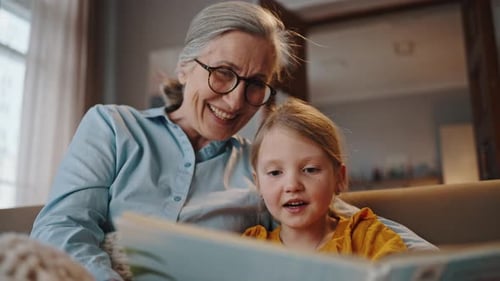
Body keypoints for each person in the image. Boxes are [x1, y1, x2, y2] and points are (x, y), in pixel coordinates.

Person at [30, 1, 435, 280]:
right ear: (185, 67)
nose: (237, 100)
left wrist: (433, 263)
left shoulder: (262, 167)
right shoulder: (113, 127)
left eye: (256, 84)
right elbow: (60, 226)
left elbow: (337, 215)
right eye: (222, 72)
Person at [242, 98, 407, 260]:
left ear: (339, 178)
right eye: (275, 172)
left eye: (310, 170)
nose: (292, 186)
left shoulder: (366, 238)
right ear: (258, 184)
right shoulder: (251, 248)